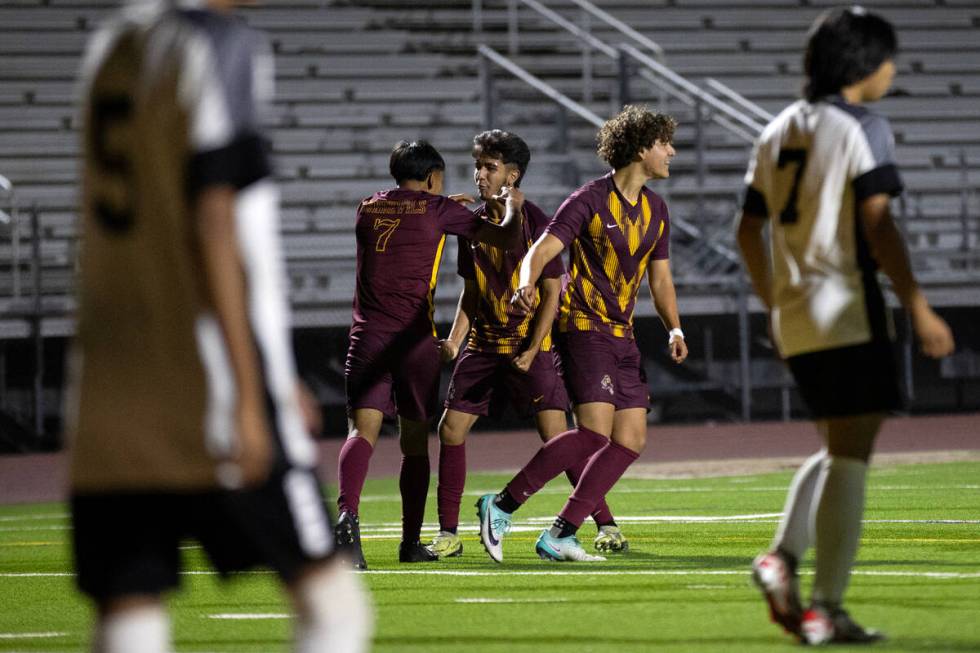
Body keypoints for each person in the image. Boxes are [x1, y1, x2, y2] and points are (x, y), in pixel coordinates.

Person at [68, 2, 372, 652]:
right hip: (205, 369)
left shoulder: (114, 41)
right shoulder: (217, 43)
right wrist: (252, 381)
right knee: (334, 605)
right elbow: (214, 219)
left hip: (109, 380)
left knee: (129, 606)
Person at [736, 7, 955, 645]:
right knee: (853, 456)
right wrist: (917, 302)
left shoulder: (776, 129)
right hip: (849, 307)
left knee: (841, 443)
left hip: (799, 315)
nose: (893, 69)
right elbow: (879, 222)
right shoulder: (863, 125)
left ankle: (781, 559)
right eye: (889, 57)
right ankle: (825, 605)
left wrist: (774, 301)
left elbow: (748, 228)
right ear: (864, 62)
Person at [475, 105, 688, 563]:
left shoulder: (656, 208)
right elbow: (542, 247)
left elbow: (661, 279)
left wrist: (674, 326)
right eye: (663, 143)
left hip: (622, 334)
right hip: (583, 327)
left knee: (630, 440)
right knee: (594, 434)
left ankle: (561, 533)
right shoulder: (589, 198)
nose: (671, 151)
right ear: (639, 149)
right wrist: (525, 283)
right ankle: (502, 503)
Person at [427, 130, 627, 560]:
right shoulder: (473, 224)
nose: (479, 173)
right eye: (478, 164)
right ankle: (448, 534)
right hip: (483, 346)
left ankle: (605, 522)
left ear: (512, 175)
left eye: (489, 166)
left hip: (527, 345)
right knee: (450, 429)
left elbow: (554, 289)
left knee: (558, 436)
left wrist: (535, 348)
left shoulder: (537, 220)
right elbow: (473, 292)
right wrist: (455, 341)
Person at [335, 139, 524, 568]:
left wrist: (441, 207)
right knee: (414, 445)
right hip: (414, 342)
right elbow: (507, 237)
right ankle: (409, 543)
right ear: (434, 176)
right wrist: (513, 205)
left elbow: (406, 220)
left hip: (366, 338)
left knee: (359, 432)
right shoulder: (438, 211)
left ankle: (347, 515)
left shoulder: (367, 207)